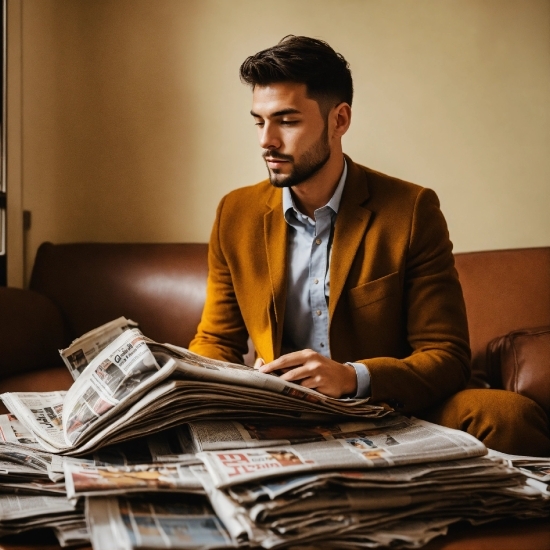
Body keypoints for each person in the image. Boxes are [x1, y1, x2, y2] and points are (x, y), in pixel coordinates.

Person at [189, 36, 550, 456]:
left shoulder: (411, 209)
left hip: (396, 408)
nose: (266, 141)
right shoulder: (236, 212)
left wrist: (351, 376)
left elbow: (446, 356)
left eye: (286, 121)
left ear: (338, 120)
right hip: (284, 413)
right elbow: (216, 339)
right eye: (259, 121)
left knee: (506, 417)